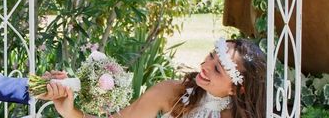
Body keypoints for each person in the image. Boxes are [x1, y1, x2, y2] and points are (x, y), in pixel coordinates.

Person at [51, 38, 266, 118]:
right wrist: (70, 112)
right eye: (211, 55)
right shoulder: (171, 92)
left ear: (236, 90)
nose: (205, 66)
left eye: (218, 69)